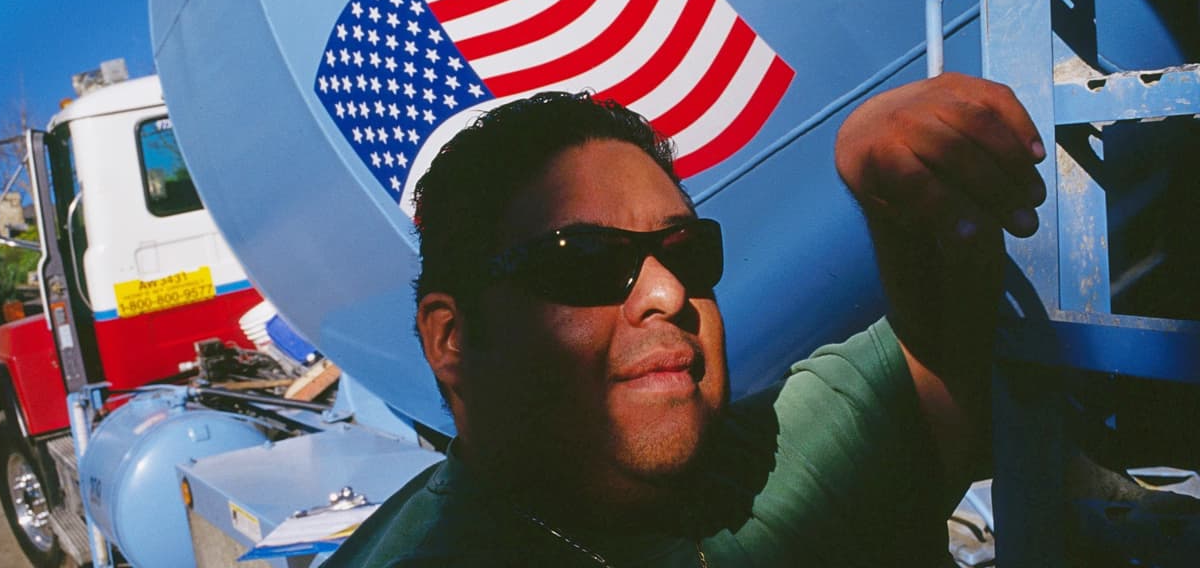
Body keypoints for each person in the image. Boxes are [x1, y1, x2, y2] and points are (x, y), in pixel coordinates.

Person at [324, 73, 1047, 567]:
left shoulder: (772, 466)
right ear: (451, 340)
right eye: (585, 260)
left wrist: (890, 171)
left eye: (686, 252)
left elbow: (940, 360)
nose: (668, 292)